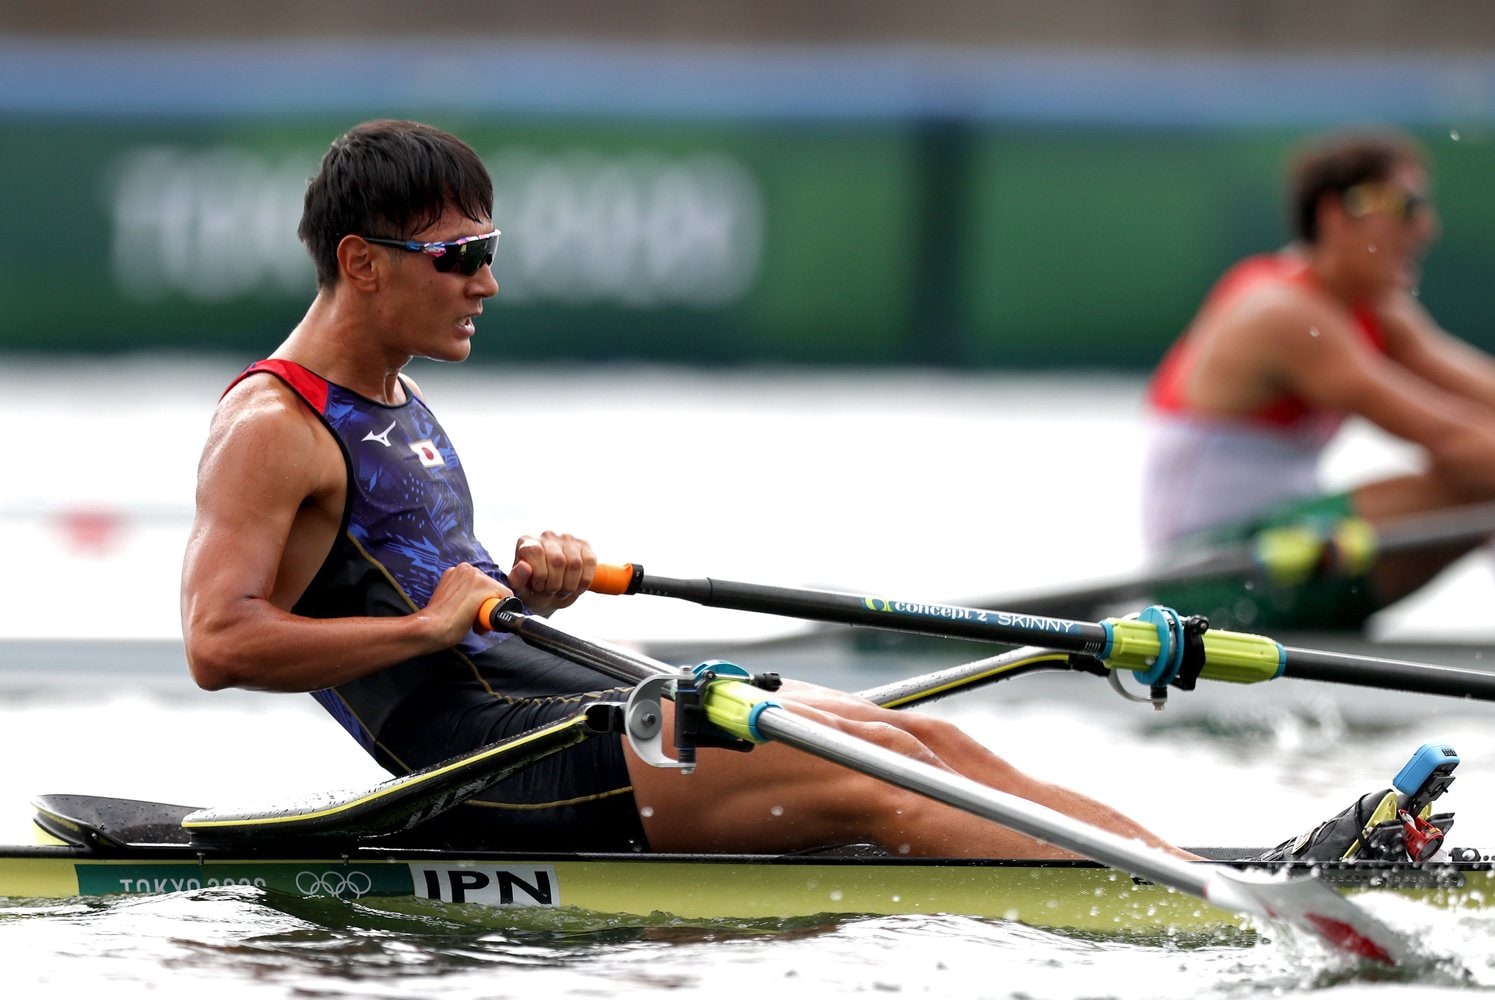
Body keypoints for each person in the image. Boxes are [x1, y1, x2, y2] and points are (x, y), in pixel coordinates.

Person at [180, 117, 1195, 862]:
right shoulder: (274, 428)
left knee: (914, 737)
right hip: (486, 769)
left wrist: (526, 587)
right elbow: (217, 643)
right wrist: (426, 631)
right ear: (361, 263)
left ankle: (1215, 870)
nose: (487, 283)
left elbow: (439, 600)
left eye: (492, 253)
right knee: (874, 780)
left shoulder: (396, 393)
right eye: (464, 257)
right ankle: (1183, 906)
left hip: (559, 697)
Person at [1142, 127, 1495, 632]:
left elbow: (1489, 395)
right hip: (1209, 576)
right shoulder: (1282, 314)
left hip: (1287, 552)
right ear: (1337, 214)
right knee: (1480, 483)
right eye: (1407, 206)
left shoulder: (1377, 310)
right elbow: (1450, 436)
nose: (1426, 228)